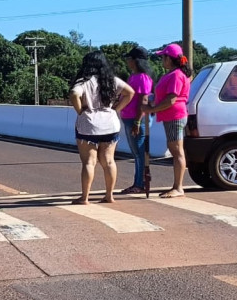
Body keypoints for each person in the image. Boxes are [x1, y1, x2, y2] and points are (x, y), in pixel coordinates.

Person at [69, 51, 135, 204]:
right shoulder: (111, 80)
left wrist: (80, 110)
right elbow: (130, 92)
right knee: (109, 161)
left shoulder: (83, 81)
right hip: (110, 124)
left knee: (89, 162)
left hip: (89, 125)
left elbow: (74, 94)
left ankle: (85, 197)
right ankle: (109, 195)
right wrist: (116, 108)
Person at [143, 43, 191, 199]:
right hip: (171, 116)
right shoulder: (171, 74)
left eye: (163, 57)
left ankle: (178, 187)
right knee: (175, 150)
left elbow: (171, 99)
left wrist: (151, 110)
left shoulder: (176, 75)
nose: (162, 60)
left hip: (175, 115)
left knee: (177, 151)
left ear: (170, 59)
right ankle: (177, 186)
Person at [119, 46, 154, 195]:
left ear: (136, 60)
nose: (127, 61)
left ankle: (139, 183)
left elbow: (143, 100)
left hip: (136, 118)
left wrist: (137, 122)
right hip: (129, 117)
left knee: (139, 153)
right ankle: (138, 182)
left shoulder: (142, 78)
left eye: (129, 59)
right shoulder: (134, 76)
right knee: (136, 153)